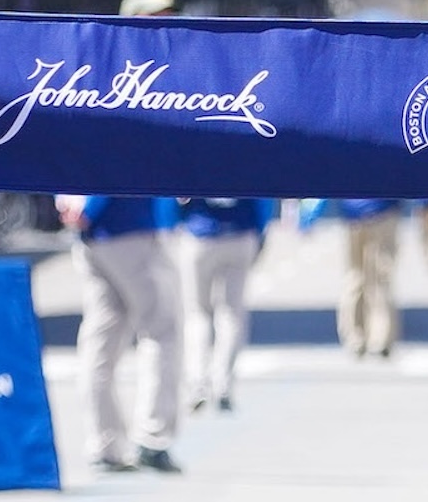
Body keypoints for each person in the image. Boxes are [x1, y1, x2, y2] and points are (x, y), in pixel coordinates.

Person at [58, 194, 182, 474]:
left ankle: (105, 443)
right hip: (130, 226)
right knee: (162, 332)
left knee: (101, 338)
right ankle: (153, 437)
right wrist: (89, 207)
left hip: (91, 235)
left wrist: (69, 204)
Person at [176, 196, 272, 413]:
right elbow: (262, 198)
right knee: (231, 313)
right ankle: (223, 386)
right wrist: (261, 231)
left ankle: (197, 382)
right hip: (240, 232)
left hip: (200, 232)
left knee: (197, 313)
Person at [334, 199, 404, 359]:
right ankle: (380, 338)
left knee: (356, 276)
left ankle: (355, 336)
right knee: (379, 278)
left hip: (353, 211)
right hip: (383, 209)